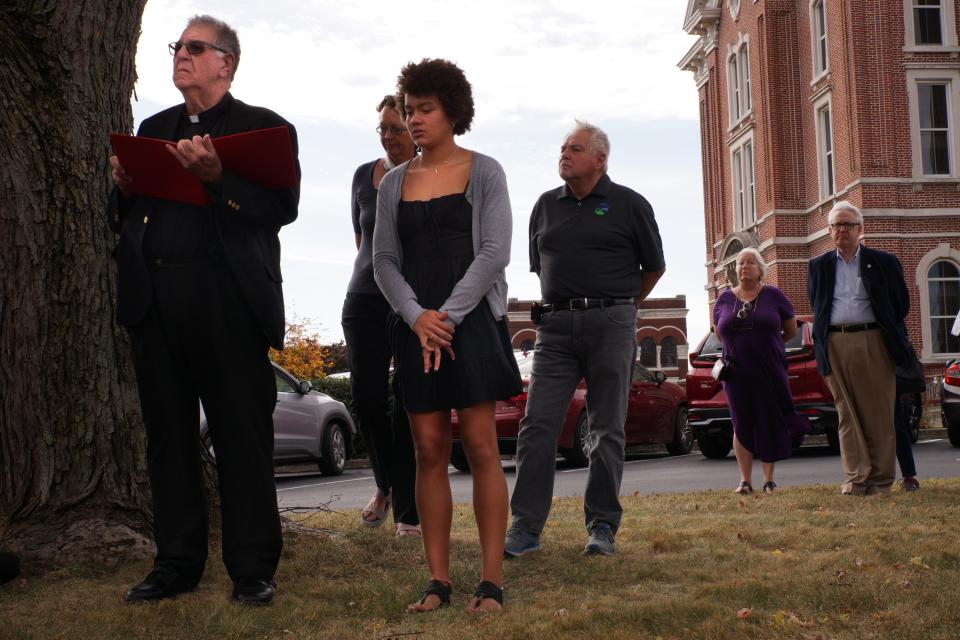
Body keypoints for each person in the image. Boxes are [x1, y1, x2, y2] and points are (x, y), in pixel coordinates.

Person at [107, 15, 299, 605]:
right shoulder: (154, 127)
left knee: (242, 438)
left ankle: (251, 569)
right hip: (157, 303)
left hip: (228, 305)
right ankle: (176, 564)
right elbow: (131, 214)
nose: (182, 55)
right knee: (168, 438)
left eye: (195, 47)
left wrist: (220, 179)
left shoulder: (265, 128)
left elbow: (280, 207)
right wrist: (121, 185)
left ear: (227, 62)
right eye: (177, 47)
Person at [372, 58, 521, 613]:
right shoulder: (392, 185)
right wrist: (417, 318)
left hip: (472, 322)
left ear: (453, 111)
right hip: (414, 327)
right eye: (409, 110)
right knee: (428, 449)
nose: (414, 120)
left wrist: (447, 317)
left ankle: (490, 583)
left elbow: (494, 253)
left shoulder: (485, 171)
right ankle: (438, 581)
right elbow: (384, 261)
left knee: (482, 447)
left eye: (425, 110)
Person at [506, 121, 665, 558]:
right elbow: (540, 266)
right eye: (562, 148)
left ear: (599, 159)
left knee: (606, 428)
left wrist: (619, 305)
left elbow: (654, 267)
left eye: (574, 149)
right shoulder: (544, 206)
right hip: (555, 328)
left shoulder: (629, 204)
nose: (564, 154)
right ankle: (525, 529)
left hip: (610, 324)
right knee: (536, 426)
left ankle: (601, 528)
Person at [342, 95, 420, 537]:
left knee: (406, 405)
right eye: (383, 129)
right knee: (368, 400)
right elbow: (362, 240)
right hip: (363, 300)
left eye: (396, 128)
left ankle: (409, 512)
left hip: (410, 304)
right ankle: (384, 487)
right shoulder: (361, 176)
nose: (388, 137)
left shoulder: (429, 176)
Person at [808, 201, 912, 495]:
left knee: (878, 413)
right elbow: (817, 305)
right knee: (846, 413)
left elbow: (901, 303)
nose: (842, 230)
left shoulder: (884, 262)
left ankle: (880, 481)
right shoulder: (818, 266)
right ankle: (855, 479)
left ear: (860, 229)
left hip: (874, 340)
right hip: (834, 343)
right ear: (829, 231)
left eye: (848, 225)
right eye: (836, 225)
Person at [712, 248, 809, 494]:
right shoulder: (724, 299)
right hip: (736, 373)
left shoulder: (773, 295)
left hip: (769, 369)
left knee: (769, 419)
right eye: (740, 263)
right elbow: (718, 331)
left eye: (750, 263)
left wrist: (768, 347)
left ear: (760, 269)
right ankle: (745, 480)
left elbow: (790, 331)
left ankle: (768, 480)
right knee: (740, 422)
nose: (744, 267)